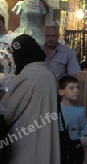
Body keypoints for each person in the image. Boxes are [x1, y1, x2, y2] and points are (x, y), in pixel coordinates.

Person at [0, 34, 60, 163]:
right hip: (46, 138)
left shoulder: (27, 77)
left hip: (26, 141)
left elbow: (6, 112)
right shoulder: (50, 75)